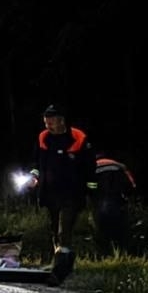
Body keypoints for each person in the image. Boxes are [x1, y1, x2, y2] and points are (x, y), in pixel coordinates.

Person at [31, 104, 93, 264]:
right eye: (46, 122)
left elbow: (89, 165)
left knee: (65, 227)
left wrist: (90, 189)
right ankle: (59, 256)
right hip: (49, 191)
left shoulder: (78, 137)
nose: (48, 126)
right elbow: (36, 162)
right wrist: (34, 176)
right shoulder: (43, 137)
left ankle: (62, 260)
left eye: (51, 122)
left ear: (61, 121)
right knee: (53, 226)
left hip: (72, 192)